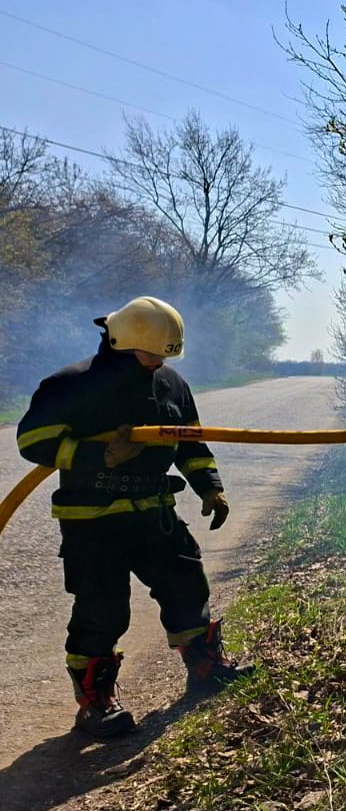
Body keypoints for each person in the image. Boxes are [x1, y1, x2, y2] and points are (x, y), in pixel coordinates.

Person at [15, 296, 250, 739]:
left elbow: (191, 442)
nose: (157, 362)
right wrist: (97, 455)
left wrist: (210, 487)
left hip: (154, 513)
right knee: (101, 607)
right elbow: (33, 441)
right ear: (120, 342)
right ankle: (94, 704)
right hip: (93, 519)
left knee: (185, 586)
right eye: (151, 354)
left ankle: (205, 667)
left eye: (165, 355)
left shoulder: (171, 384)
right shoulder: (71, 384)